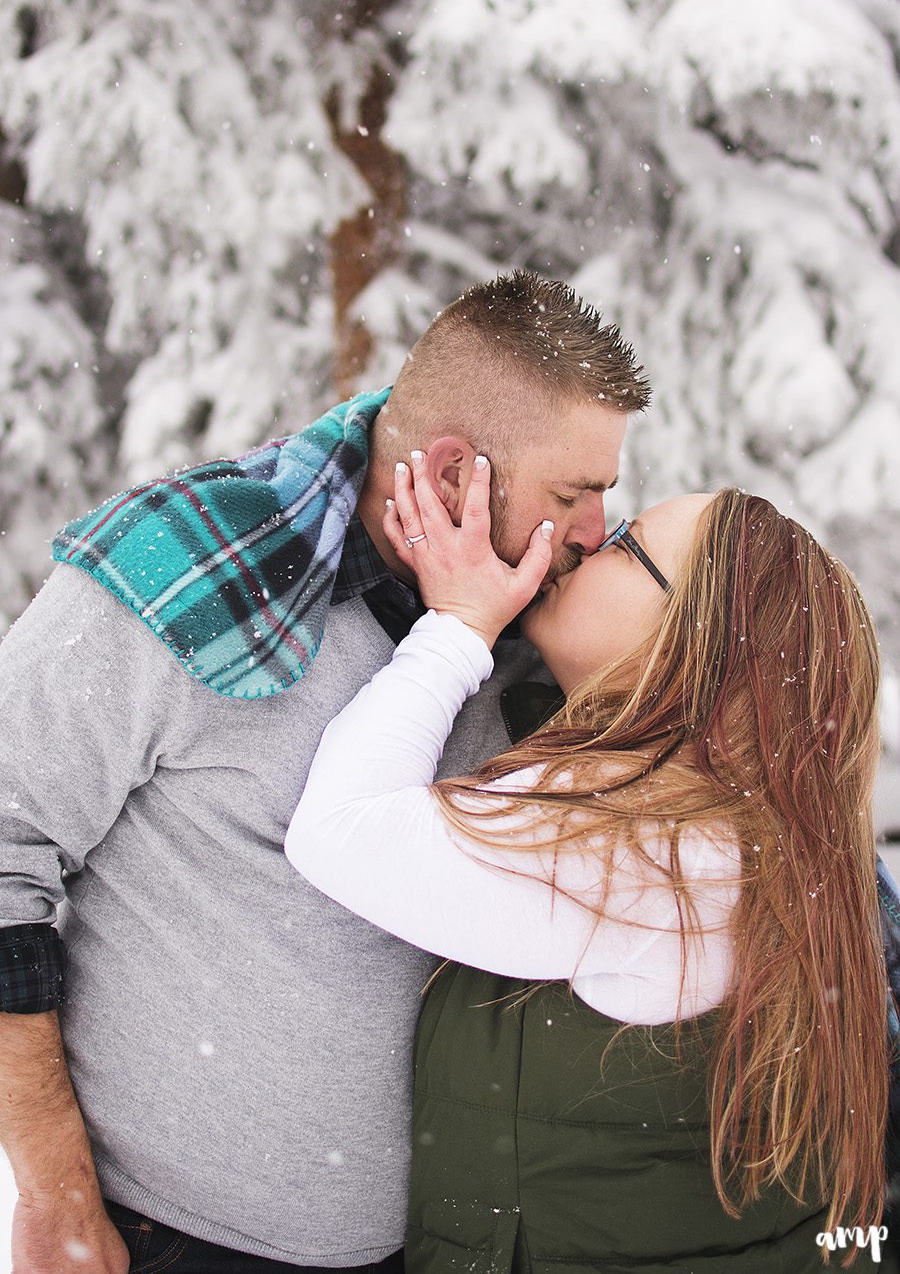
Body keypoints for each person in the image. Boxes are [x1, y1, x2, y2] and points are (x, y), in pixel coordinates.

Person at [0, 272, 652, 1273]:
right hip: (169, 1241)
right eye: (573, 495)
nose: (593, 531)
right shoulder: (188, 571)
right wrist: (55, 1192)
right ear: (447, 480)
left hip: (439, 1244)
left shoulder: (540, 638)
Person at [285, 451, 898, 1272]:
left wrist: (459, 626)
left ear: (692, 644)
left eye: (628, 545)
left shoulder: (659, 846)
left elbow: (341, 828)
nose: (594, 537)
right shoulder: (749, 830)